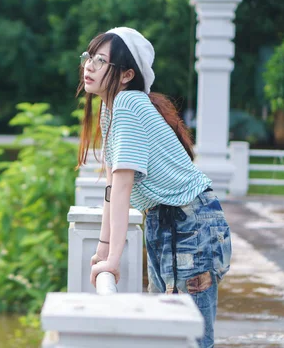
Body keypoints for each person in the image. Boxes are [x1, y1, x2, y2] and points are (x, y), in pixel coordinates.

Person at [76, 27, 232, 348]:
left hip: (187, 225)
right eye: (88, 57)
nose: (88, 66)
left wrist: (114, 259)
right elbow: (112, 184)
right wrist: (104, 247)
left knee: (188, 338)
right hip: (167, 223)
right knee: (167, 332)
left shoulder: (130, 106)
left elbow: (122, 187)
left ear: (126, 74)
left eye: (100, 60)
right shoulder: (113, 108)